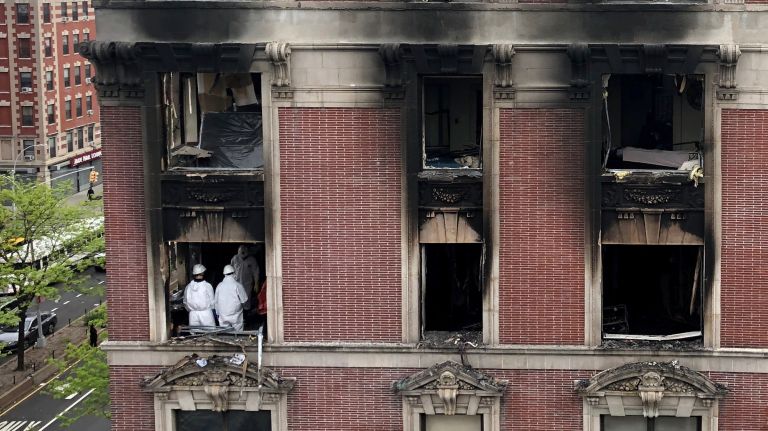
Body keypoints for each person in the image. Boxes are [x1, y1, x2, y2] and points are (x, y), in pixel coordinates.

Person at [215, 264, 248, 331]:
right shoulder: (237, 285)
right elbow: (244, 300)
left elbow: (216, 302)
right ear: (234, 273)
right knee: (238, 333)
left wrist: (218, 313)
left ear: (224, 274)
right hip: (236, 315)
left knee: (225, 333)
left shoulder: (219, 286)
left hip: (223, 315)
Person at [230, 245, 260, 311]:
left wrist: (256, 284)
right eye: (241, 252)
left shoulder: (252, 260)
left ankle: (246, 315)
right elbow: (230, 270)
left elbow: (256, 272)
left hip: (247, 284)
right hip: (236, 283)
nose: (242, 254)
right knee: (236, 299)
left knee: (246, 299)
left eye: (244, 252)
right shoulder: (235, 258)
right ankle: (237, 313)